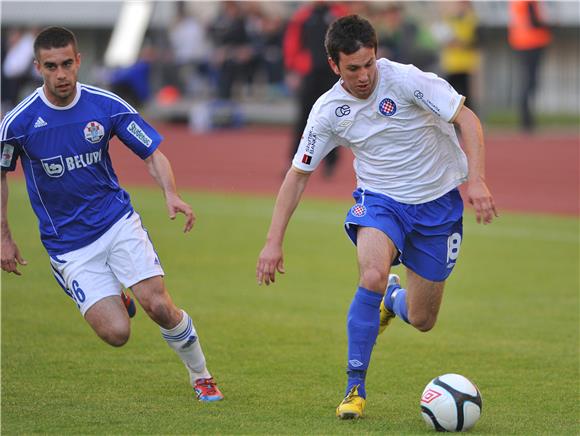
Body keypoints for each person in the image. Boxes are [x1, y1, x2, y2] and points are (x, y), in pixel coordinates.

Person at [256, 15, 497, 419]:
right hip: (380, 201)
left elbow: (466, 119)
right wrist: (273, 240)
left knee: (422, 319)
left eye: (369, 63)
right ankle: (355, 388)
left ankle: (394, 299)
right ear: (335, 65)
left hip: (437, 205)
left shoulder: (406, 80)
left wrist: (477, 181)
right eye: (353, 68)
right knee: (370, 274)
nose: (365, 75)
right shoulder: (328, 111)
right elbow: (298, 176)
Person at [0, 26, 223, 402]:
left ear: (79, 61)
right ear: (38, 67)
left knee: (158, 305)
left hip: (116, 221)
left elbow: (151, 152)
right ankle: (116, 299)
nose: (61, 74)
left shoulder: (106, 105)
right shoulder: (18, 123)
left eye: (67, 64)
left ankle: (201, 375)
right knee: (116, 334)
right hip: (68, 244)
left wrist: (171, 194)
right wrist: (3, 235)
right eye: (51, 66)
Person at [283, 1, 349, 178]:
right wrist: (293, 69)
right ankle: (294, 162)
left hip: (333, 74)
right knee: (303, 120)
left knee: (335, 120)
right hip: (309, 73)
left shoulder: (339, 13)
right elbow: (292, 43)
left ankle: (330, 163)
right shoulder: (303, 16)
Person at [508, 0, 552, 132]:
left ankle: (526, 118)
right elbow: (535, 22)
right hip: (532, 43)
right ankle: (526, 119)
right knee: (530, 82)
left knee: (527, 81)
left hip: (521, 43)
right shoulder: (529, 1)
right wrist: (550, 25)